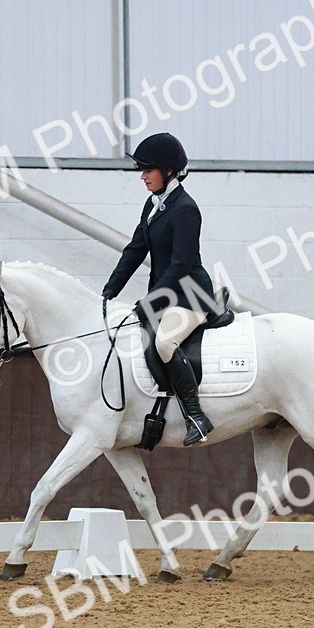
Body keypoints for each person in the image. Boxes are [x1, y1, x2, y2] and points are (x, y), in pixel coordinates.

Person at [102, 133, 218, 445]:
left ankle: (196, 415)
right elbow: (135, 249)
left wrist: (150, 301)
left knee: (165, 343)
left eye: (148, 170)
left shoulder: (185, 209)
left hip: (191, 295)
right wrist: (109, 291)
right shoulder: (153, 205)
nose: (142, 176)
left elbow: (180, 265)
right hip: (168, 295)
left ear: (168, 171)